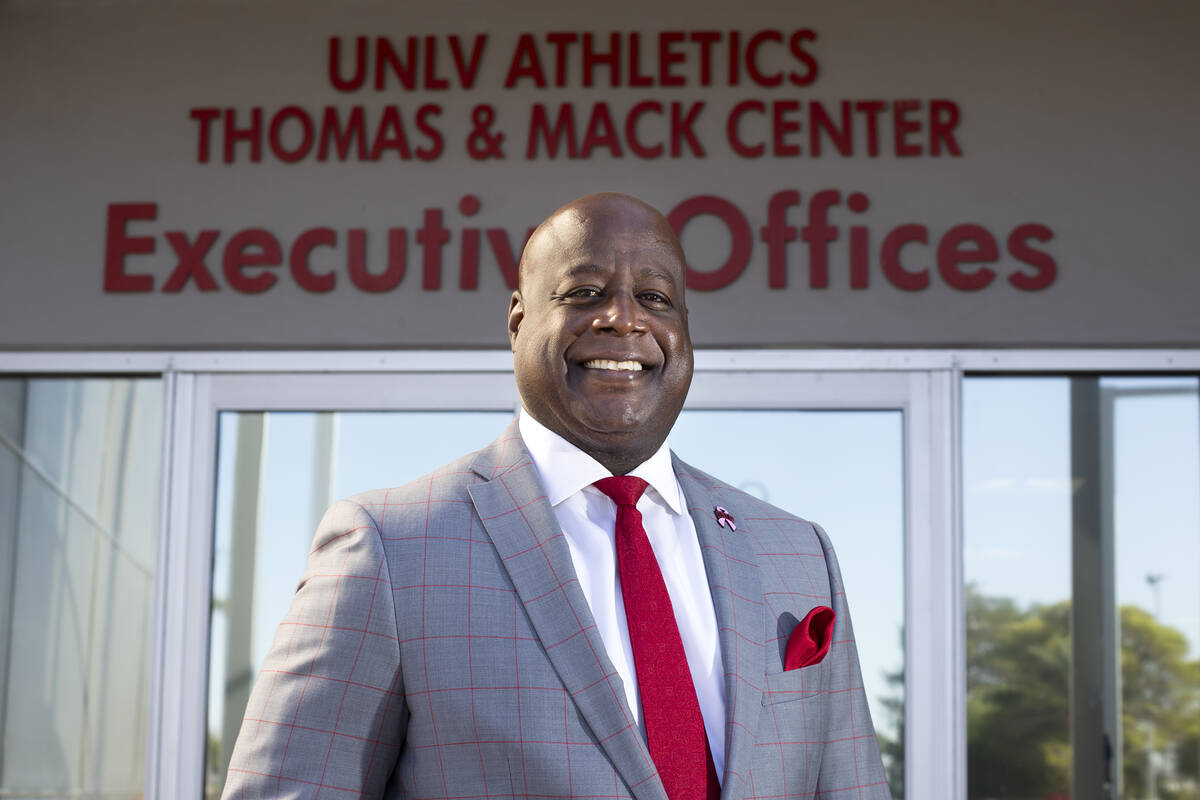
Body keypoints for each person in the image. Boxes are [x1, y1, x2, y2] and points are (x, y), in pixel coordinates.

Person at [221, 193, 891, 800]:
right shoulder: (390, 547)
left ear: (685, 331)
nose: (623, 319)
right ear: (517, 321)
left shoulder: (797, 554)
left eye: (655, 298)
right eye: (584, 291)